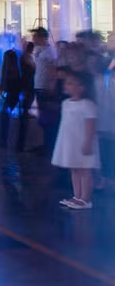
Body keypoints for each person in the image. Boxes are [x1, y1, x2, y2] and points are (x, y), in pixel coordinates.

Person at [53, 71, 100, 209]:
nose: (67, 85)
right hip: (70, 142)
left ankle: (85, 198)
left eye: (71, 83)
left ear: (82, 87)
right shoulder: (66, 103)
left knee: (84, 170)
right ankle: (76, 195)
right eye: (67, 83)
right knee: (74, 169)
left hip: (83, 142)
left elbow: (91, 126)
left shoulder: (87, 104)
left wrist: (88, 143)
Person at [31, 27, 59, 153]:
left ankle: (49, 145)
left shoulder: (50, 52)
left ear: (42, 38)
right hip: (39, 86)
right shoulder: (39, 50)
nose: (33, 39)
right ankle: (45, 144)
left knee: (47, 117)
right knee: (42, 116)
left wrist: (52, 84)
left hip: (45, 87)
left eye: (35, 37)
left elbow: (53, 69)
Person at [0, 48, 22, 149]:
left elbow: (7, 85)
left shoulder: (9, 71)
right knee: (5, 116)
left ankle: (3, 140)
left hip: (11, 96)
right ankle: (4, 140)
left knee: (4, 116)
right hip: (13, 96)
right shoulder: (16, 70)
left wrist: (2, 89)